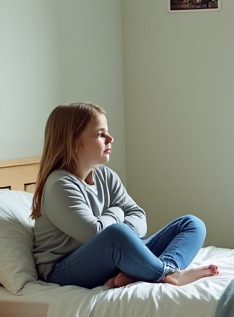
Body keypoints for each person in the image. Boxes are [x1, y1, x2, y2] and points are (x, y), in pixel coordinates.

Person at [30, 102, 220, 289]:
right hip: (62, 270)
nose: (110, 139)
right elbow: (95, 234)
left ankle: (156, 270)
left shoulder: (106, 175)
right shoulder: (59, 185)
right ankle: (164, 274)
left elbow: (139, 217)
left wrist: (125, 238)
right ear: (73, 142)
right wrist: (117, 213)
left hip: (110, 256)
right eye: (100, 134)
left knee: (191, 224)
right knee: (116, 235)